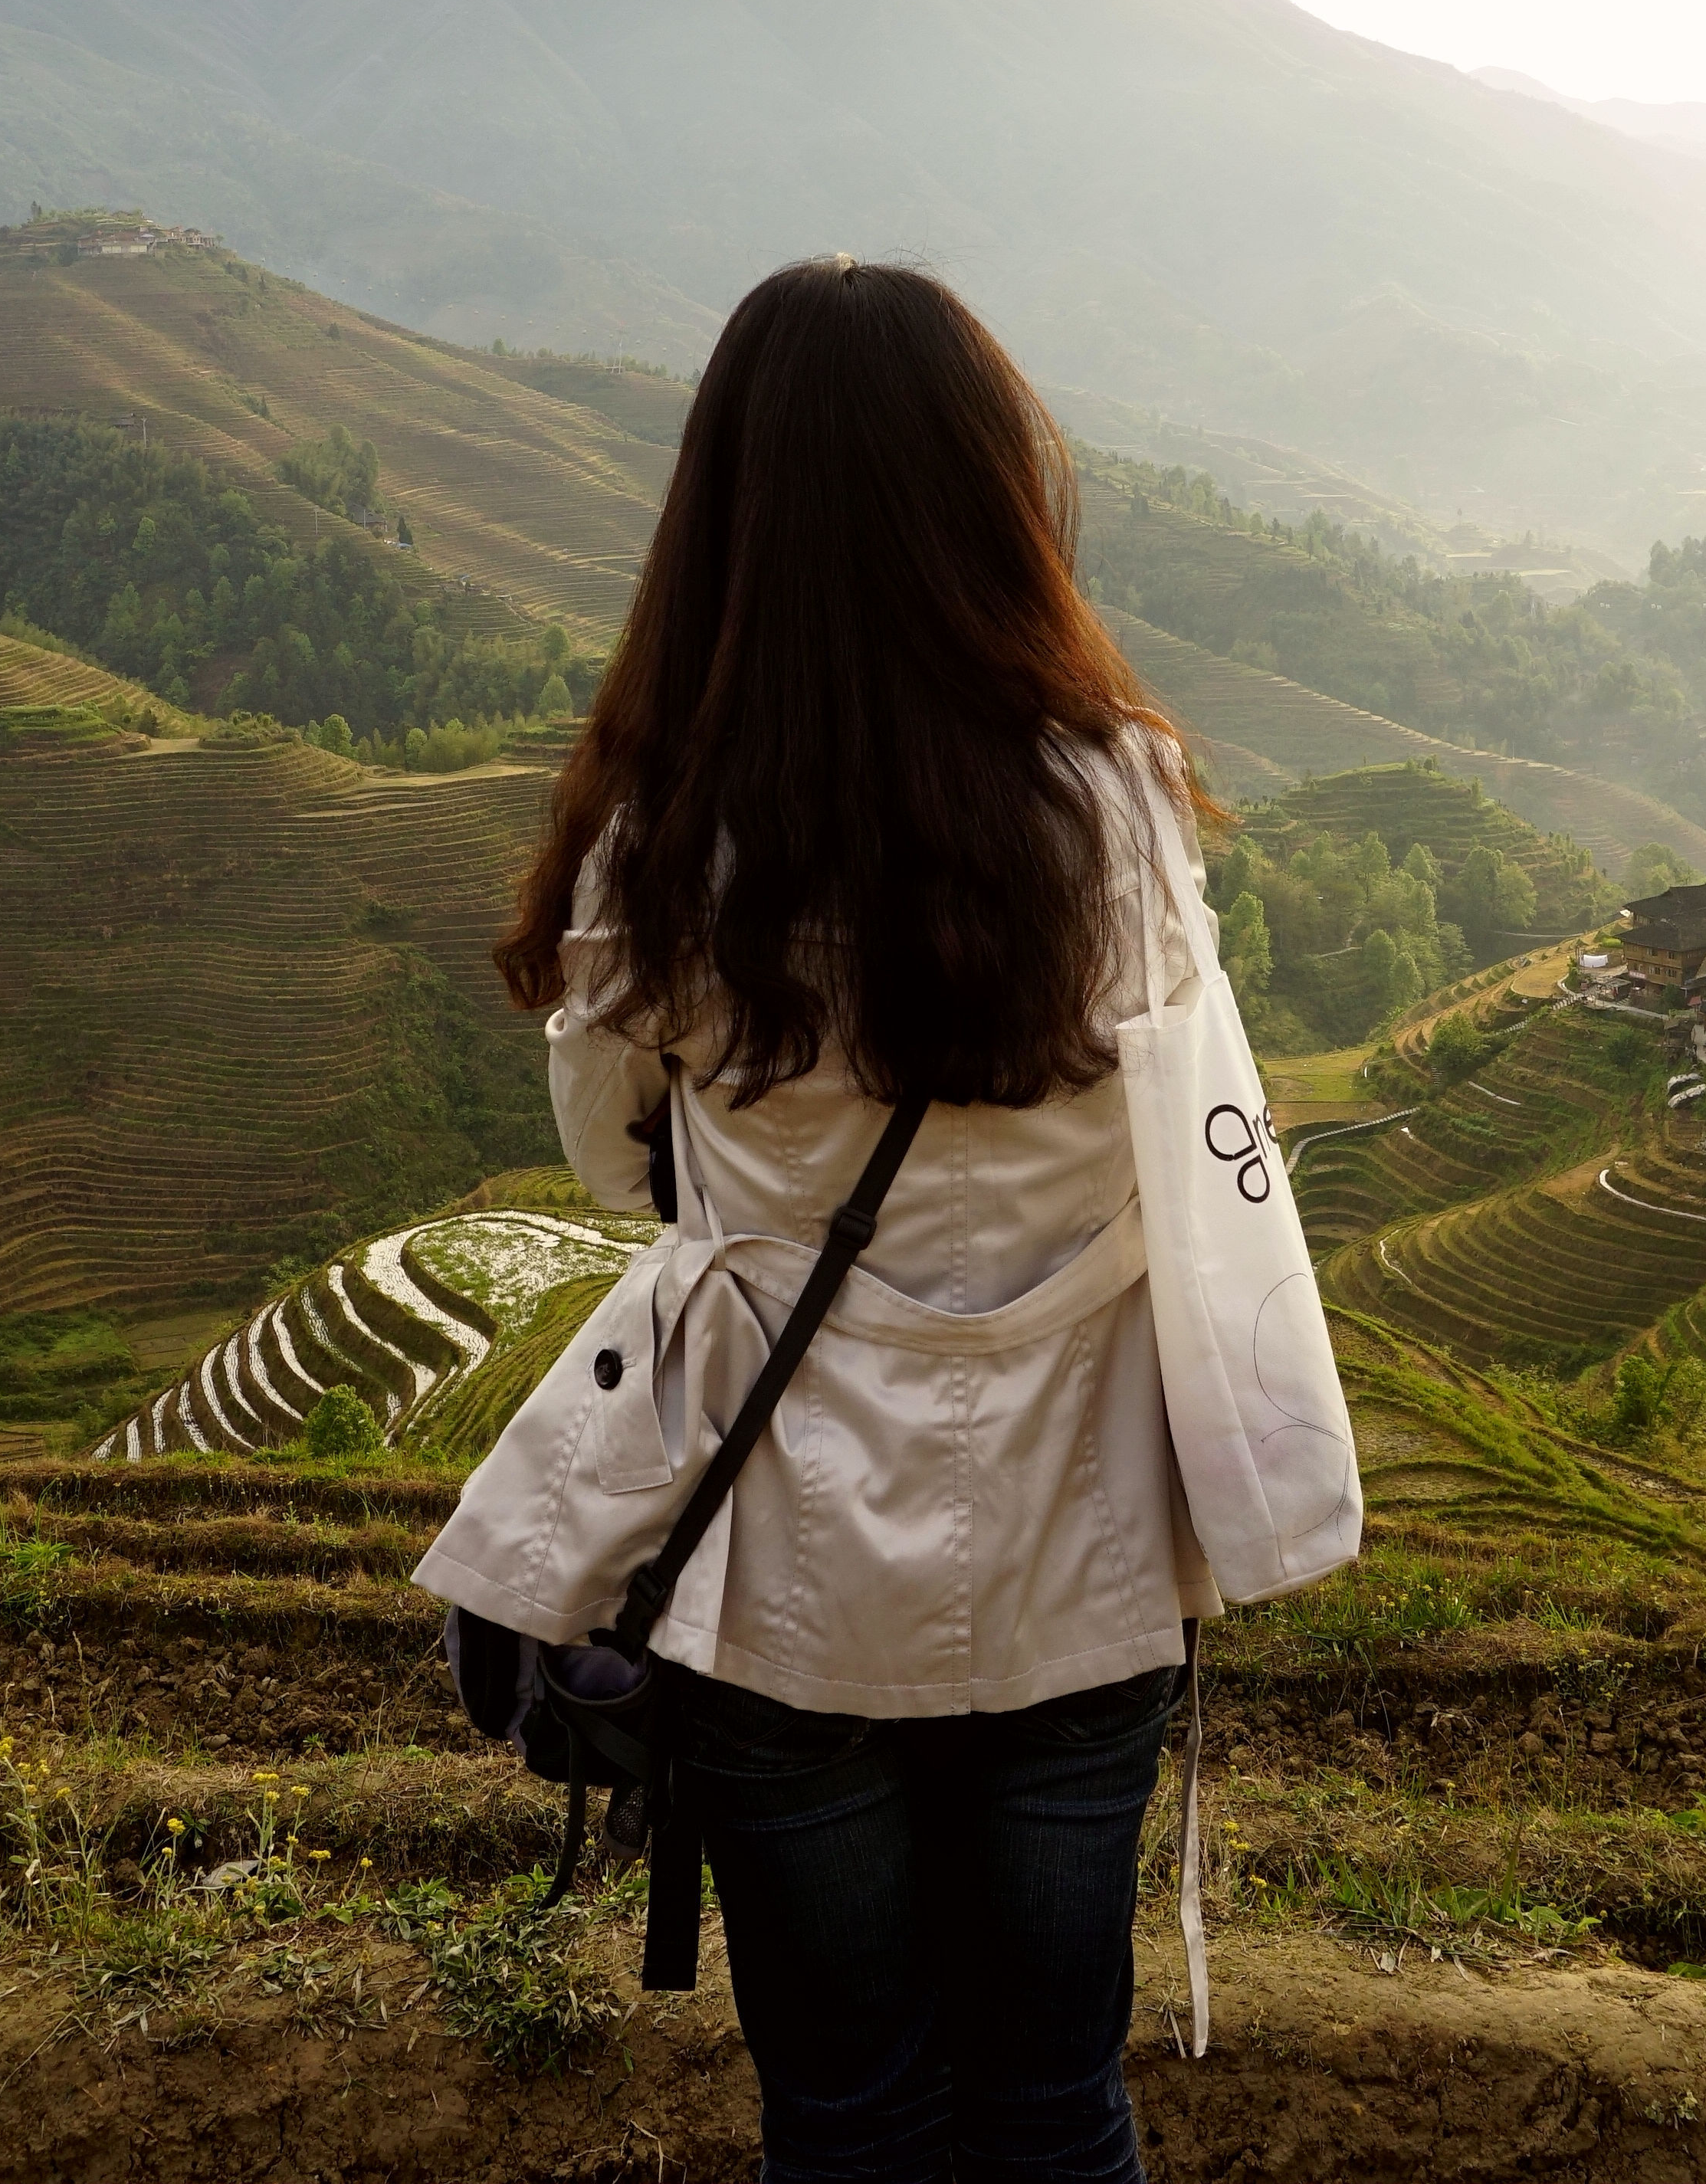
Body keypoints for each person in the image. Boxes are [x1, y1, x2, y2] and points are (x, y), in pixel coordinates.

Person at [415, 257, 1359, 2184]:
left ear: (724, 508)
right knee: (1051, 2099)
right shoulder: (1110, 801)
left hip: (778, 1568)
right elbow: (1189, 1140)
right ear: (986, 493)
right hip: (1080, 1546)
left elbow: (623, 1174)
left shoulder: (659, 835)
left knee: (847, 2113)